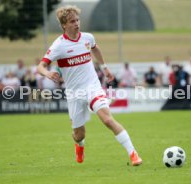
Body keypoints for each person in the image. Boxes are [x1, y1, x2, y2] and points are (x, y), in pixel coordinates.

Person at [37, 5, 142, 166]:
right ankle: (79, 146)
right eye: (72, 21)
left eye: (78, 20)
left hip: (92, 87)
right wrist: (47, 73)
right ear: (64, 25)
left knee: (107, 120)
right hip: (74, 93)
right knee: (79, 134)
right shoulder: (59, 46)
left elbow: (95, 49)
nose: (77, 24)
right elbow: (40, 66)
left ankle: (133, 154)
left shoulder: (87, 37)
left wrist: (104, 67)